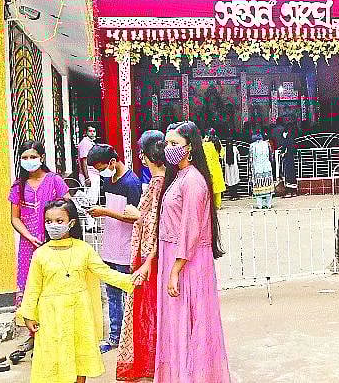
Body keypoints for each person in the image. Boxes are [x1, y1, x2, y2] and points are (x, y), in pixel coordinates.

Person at [17, 199, 140, 383]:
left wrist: (133, 281)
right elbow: (33, 287)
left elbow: (105, 273)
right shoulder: (40, 254)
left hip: (79, 314)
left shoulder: (84, 249)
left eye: (59, 221)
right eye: (49, 222)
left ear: (71, 223)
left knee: (79, 357)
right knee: (53, 359)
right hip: (51, 316)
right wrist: (28, 314)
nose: (53, 226)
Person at [155, 121, 231, 382]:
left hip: (186, 260)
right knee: (178, 323)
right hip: (174, 255)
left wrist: (175, 270)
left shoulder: (193, 181)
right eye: (167, 143)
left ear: (190, 148)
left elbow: (190, 229)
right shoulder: (179, 177)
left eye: (175, 144)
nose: (169, 148)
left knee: (190, 322)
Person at [7, 140, 70, 363]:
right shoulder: (18, 186)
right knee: (31, 291)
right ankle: (36, 337)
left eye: (33, 157)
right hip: (28, 247)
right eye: (24, 158)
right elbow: (15, 218)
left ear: (42, 157)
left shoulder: (55, 181)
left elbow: (67, 208)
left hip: (54, 244)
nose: (29, 161)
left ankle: (56, 337)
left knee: (55, 288)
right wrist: (29, 236)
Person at [117, 131, 167, 381]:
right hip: (155, 253)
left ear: (145, 157)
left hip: (149, 255)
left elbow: (152, 220)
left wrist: (132, 214)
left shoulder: (158, 184)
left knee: (147, 308)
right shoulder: (168, 181)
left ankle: (150, 361)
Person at [86, 144, 143, 353]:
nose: (100, 172)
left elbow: (135, 218)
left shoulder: (131, 182)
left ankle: (132, 336)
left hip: (126, 248)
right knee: (112, 294)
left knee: (129, 294)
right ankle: (114, 336)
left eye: (101, 168)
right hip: (110, 246)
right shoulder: (107, 180)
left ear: (112, 162)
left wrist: (105, 212)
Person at [249, 130, 275, 209]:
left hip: (257, 168)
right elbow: (271, 156)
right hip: (267, 167)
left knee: (258, 186)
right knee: (268, 186)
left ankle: (260, 205)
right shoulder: (267, 144)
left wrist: (251, 169)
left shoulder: (252, 146)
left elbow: (251, 159)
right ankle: (268, 204)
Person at [203, 128, 227, 208]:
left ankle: (211, 205)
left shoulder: (205, 145)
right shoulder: (217, 143)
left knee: (210, 187)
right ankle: (218, 204)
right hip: (217, 167)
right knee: (218, 187)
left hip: (208, 167)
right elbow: (222, 154)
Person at [77, 125, 100, 204]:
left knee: (93, 198)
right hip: (90, 174)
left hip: (94, 173)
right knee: (90, 200)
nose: (92, 133)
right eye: (90, 131)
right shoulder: (85, 143)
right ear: (85, 132)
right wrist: (87, 178)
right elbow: (84, 161)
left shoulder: (90, 143)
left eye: (94, 131)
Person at [280, 123, 298, 197]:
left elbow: (285, 146)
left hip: (287, 157)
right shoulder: (293, 136)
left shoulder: (287, 137)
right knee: (292, 173)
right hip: (291, 157)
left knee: (287, 173)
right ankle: (294, 192)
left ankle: (288, 192)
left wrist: (282, 152)